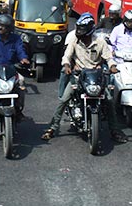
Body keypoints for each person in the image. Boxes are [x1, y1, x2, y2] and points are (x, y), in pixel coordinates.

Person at [43, 13, 125, 143]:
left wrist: (113, 66)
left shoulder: (100, 42)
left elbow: (109, 57)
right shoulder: (74, 41)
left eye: (83, 30)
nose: (80, 34)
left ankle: (115, 131)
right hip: (79, 76)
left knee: (109, 100)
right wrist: (67, 65)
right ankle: (52, 128)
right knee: (64, 99)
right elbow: (66, 56)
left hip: (96, 77)